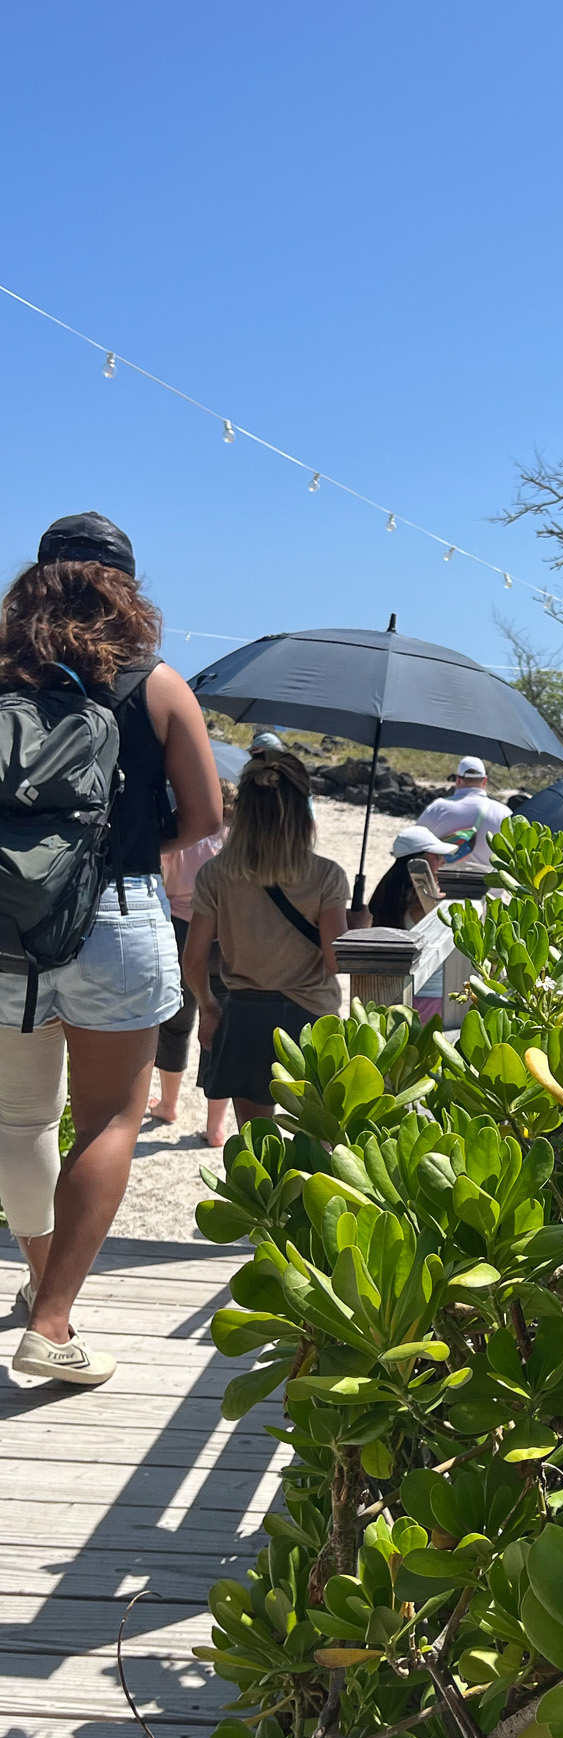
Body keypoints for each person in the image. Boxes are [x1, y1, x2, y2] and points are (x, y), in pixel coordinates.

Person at [3, 512, 222, 1387]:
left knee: (19, 1123)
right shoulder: (157, 683)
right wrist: (122, 845)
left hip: (8, 922)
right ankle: (53, 1320)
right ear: (126, 583)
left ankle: (36, 1278)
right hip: (119, 917)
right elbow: (206, 819)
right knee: (110, 1121)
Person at [185, 751, 347, 1128]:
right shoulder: (326, 876)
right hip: (311, 1017)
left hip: (245, 1015)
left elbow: (193, 960)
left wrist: (209, 1008)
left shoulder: (216, 873)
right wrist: (358, 925)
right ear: (302, 810)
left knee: (257, 1149)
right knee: (321, 1142)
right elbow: (336, 960)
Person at [150, 779, 236, 1146]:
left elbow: (161, 880)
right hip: (227, 934)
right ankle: (216, 1127)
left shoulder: (181, 834)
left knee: (175, 1021)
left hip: (181, 929)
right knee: (220, 1024)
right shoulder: (236, 841)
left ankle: (169, 1104)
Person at [416, 755, 510, 870]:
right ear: (484, 781)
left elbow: (415, 845)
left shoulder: (437, 808)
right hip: (488, 886)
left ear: (458, 780)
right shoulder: (503, 813)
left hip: (443, 884)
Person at [367, 825, 453, 929]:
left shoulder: (389, 887)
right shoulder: (419, 900)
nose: (443, 861)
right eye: (438, 856)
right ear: (421, 861)